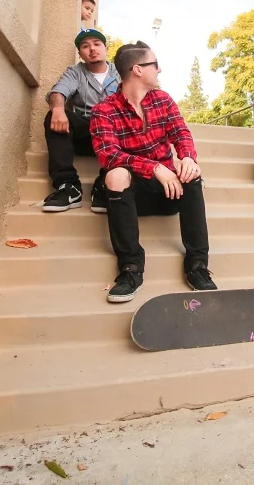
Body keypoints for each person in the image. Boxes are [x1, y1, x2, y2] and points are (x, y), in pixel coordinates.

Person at [89, 41, 217, 303]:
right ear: (137, 69)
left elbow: (181, 133)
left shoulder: (163, 100)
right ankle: (130, 268)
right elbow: (109, 155)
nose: (160, 69)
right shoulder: (104, 110)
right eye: (154, 64)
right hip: (133, 195)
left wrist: (187, 158)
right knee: (115, 174)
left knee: (190, 171)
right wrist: (154, 167)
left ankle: (197, 265)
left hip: (168, 190)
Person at [42, 29, 119, 213]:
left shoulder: (120, 71)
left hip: (115, 137)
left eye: (96, 44)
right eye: (85, 46)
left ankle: (105, 184)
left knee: (131, 122)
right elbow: (58, 91)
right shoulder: (75, 72)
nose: (92, 49)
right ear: (80, 54)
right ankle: (68, 187)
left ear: (106, 48)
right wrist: (58, 108)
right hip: (87, 135)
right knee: (54, 114)